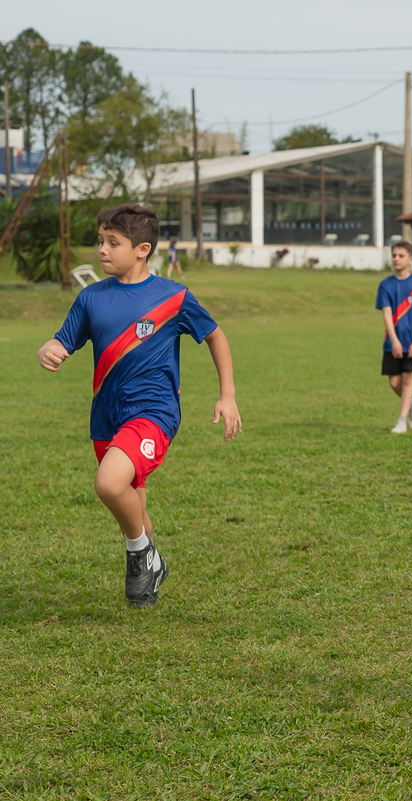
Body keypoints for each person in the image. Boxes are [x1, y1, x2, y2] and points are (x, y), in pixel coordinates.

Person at [36, 204, 242, 608]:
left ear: (142, 249)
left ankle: (138, 555)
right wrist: (50, 348)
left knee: (109, 484)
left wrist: (228, 394)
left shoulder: (173, 297)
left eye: (113, 242)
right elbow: (64, 339)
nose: (102, 249)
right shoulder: (91, 297)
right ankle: (152, 564)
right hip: (106, 417)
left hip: (154, 412)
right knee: (133, 504)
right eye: (100, 241)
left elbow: (215, 335)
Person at [376, 240, 412, 434]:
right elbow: (387, 314)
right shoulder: (385, 285)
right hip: (392, 342)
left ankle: (401, 421)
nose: (396, 259)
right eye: (394, 255)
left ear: (410, 259)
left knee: (408, 380)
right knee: (394, 382)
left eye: (401, 256)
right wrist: (394, 340)